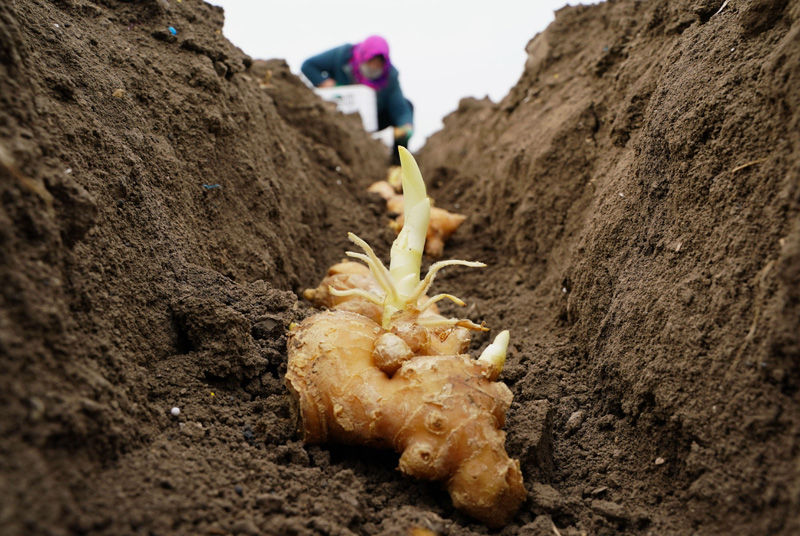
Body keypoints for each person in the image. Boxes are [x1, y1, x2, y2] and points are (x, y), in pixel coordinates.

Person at [301, 35, 414, 165]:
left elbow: (399, 106)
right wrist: (324, 82)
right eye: (371, 62)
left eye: (378, 65)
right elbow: (308, 65)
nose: (373, 67)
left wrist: (406, 125)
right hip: (339, 115)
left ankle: (397, 163)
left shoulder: (390, 76)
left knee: (408, 106)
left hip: (373, 119)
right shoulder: (343, 55)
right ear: (364, 56)